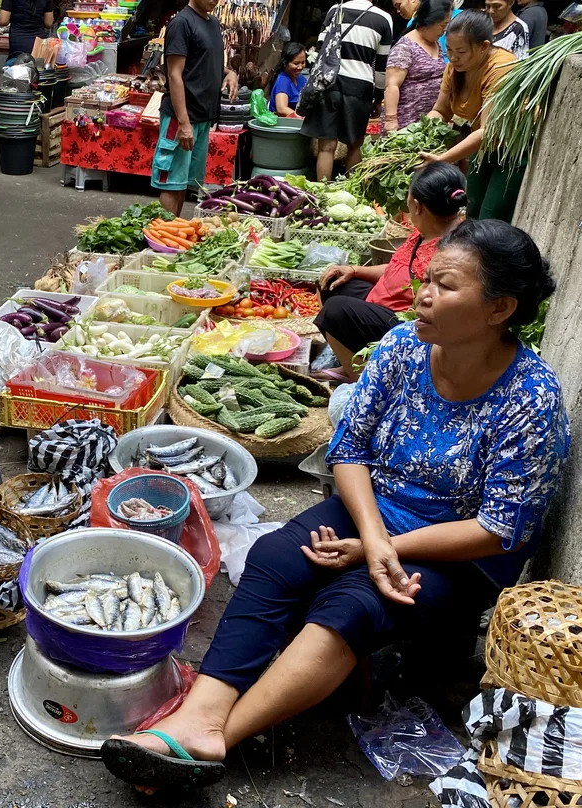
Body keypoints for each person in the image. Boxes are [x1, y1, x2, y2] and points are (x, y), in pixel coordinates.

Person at [101, 218, 570, 792]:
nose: (423, 295)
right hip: (377, 514)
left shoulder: (530, 400)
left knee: (353, 603)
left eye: (446, 286)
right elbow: (349, 451)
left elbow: (501, 530)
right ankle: (199, 713)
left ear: (500, 309)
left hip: (459, 553)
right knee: (277, 556)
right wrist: (373, 540)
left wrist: (380, 552)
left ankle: (216, 739)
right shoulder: (401, 348)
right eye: (427, 279)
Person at [314, 162, 466, 384]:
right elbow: (399, 268)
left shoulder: (451, 249)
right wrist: (354, 270)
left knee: (334, 311)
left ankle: (367, 383)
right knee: (332, 283)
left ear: (417, 206)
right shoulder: (427, 230)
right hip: (385, 305)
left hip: (411, 326)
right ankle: (352, 364)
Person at [421, 11, 522, 222]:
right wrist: (418, 136)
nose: (453, 57)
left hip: (513, 149)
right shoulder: (455, 68)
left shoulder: (501, 67)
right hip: (482, 146)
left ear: (484, 46)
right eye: (449, 50)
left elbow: (488, 131)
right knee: (472, 210)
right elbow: (440, 111)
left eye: (461, 51)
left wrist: (441, 160)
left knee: (491, 216)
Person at [151, 0, 239, 217]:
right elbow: (174, 74)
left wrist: (229, 72)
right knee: (172, 183)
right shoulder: (181, 23)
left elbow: (206, 61)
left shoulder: (213, 23)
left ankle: (173, 237)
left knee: (183, 183)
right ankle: (163, 243)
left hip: (202, 117)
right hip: (182, 117)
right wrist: (183, 123)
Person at [301, 0, 393, 181]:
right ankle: (352, 192)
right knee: (355, 145)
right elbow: (382, 66)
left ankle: (321, 195)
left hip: (329, 84)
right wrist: (378, 97)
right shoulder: (384, 18)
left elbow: (320, 50)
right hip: (360, 88)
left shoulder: (336, 10)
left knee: (326, 146)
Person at [384, 0, 452, 132]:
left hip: (429, 122)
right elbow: (392, 84)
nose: (444, 31)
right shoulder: (405, 47)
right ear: (430, 21)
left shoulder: (436, 43)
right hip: (405, 122)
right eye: (442, 25)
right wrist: (391, 120)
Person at [267, 41, 307, 116]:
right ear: (285, 63)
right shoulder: (283, 81)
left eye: (303, 62)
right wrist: (301, 119)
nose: (300, 67)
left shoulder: (300, 78)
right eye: (296, 63)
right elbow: (281, 109)